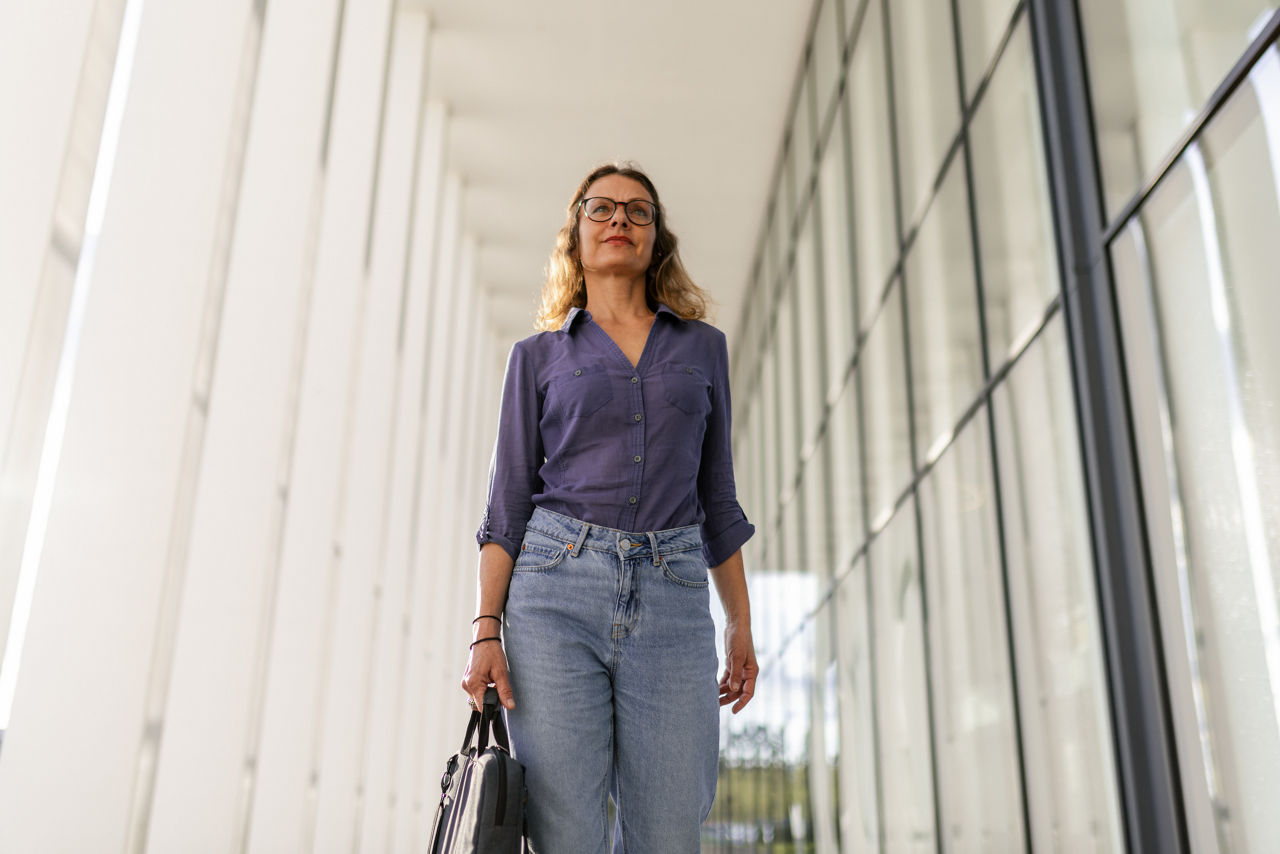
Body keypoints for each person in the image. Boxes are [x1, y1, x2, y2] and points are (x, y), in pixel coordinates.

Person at [462, 161, 758, 853]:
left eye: (637, 210)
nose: (619, 218)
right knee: (566, 834)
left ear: (657, 239)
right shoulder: (535, 357)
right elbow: (506, 506)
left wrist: (740, 623)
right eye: (601, 208)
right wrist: (485, 631)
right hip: (553, 596)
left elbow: (717, 498)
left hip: (673, 595)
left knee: (670, 832)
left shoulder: (703, 348)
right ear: (576, 236)